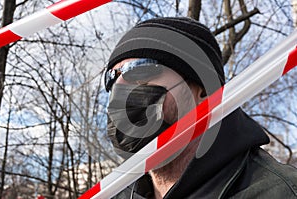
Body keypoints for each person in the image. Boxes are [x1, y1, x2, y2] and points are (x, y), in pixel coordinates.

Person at [104, 17, 297, 199]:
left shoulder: (280, 191)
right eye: (113, 82)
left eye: (140, 71)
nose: (122, 90)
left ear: (203, 90)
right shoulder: (115, 193)